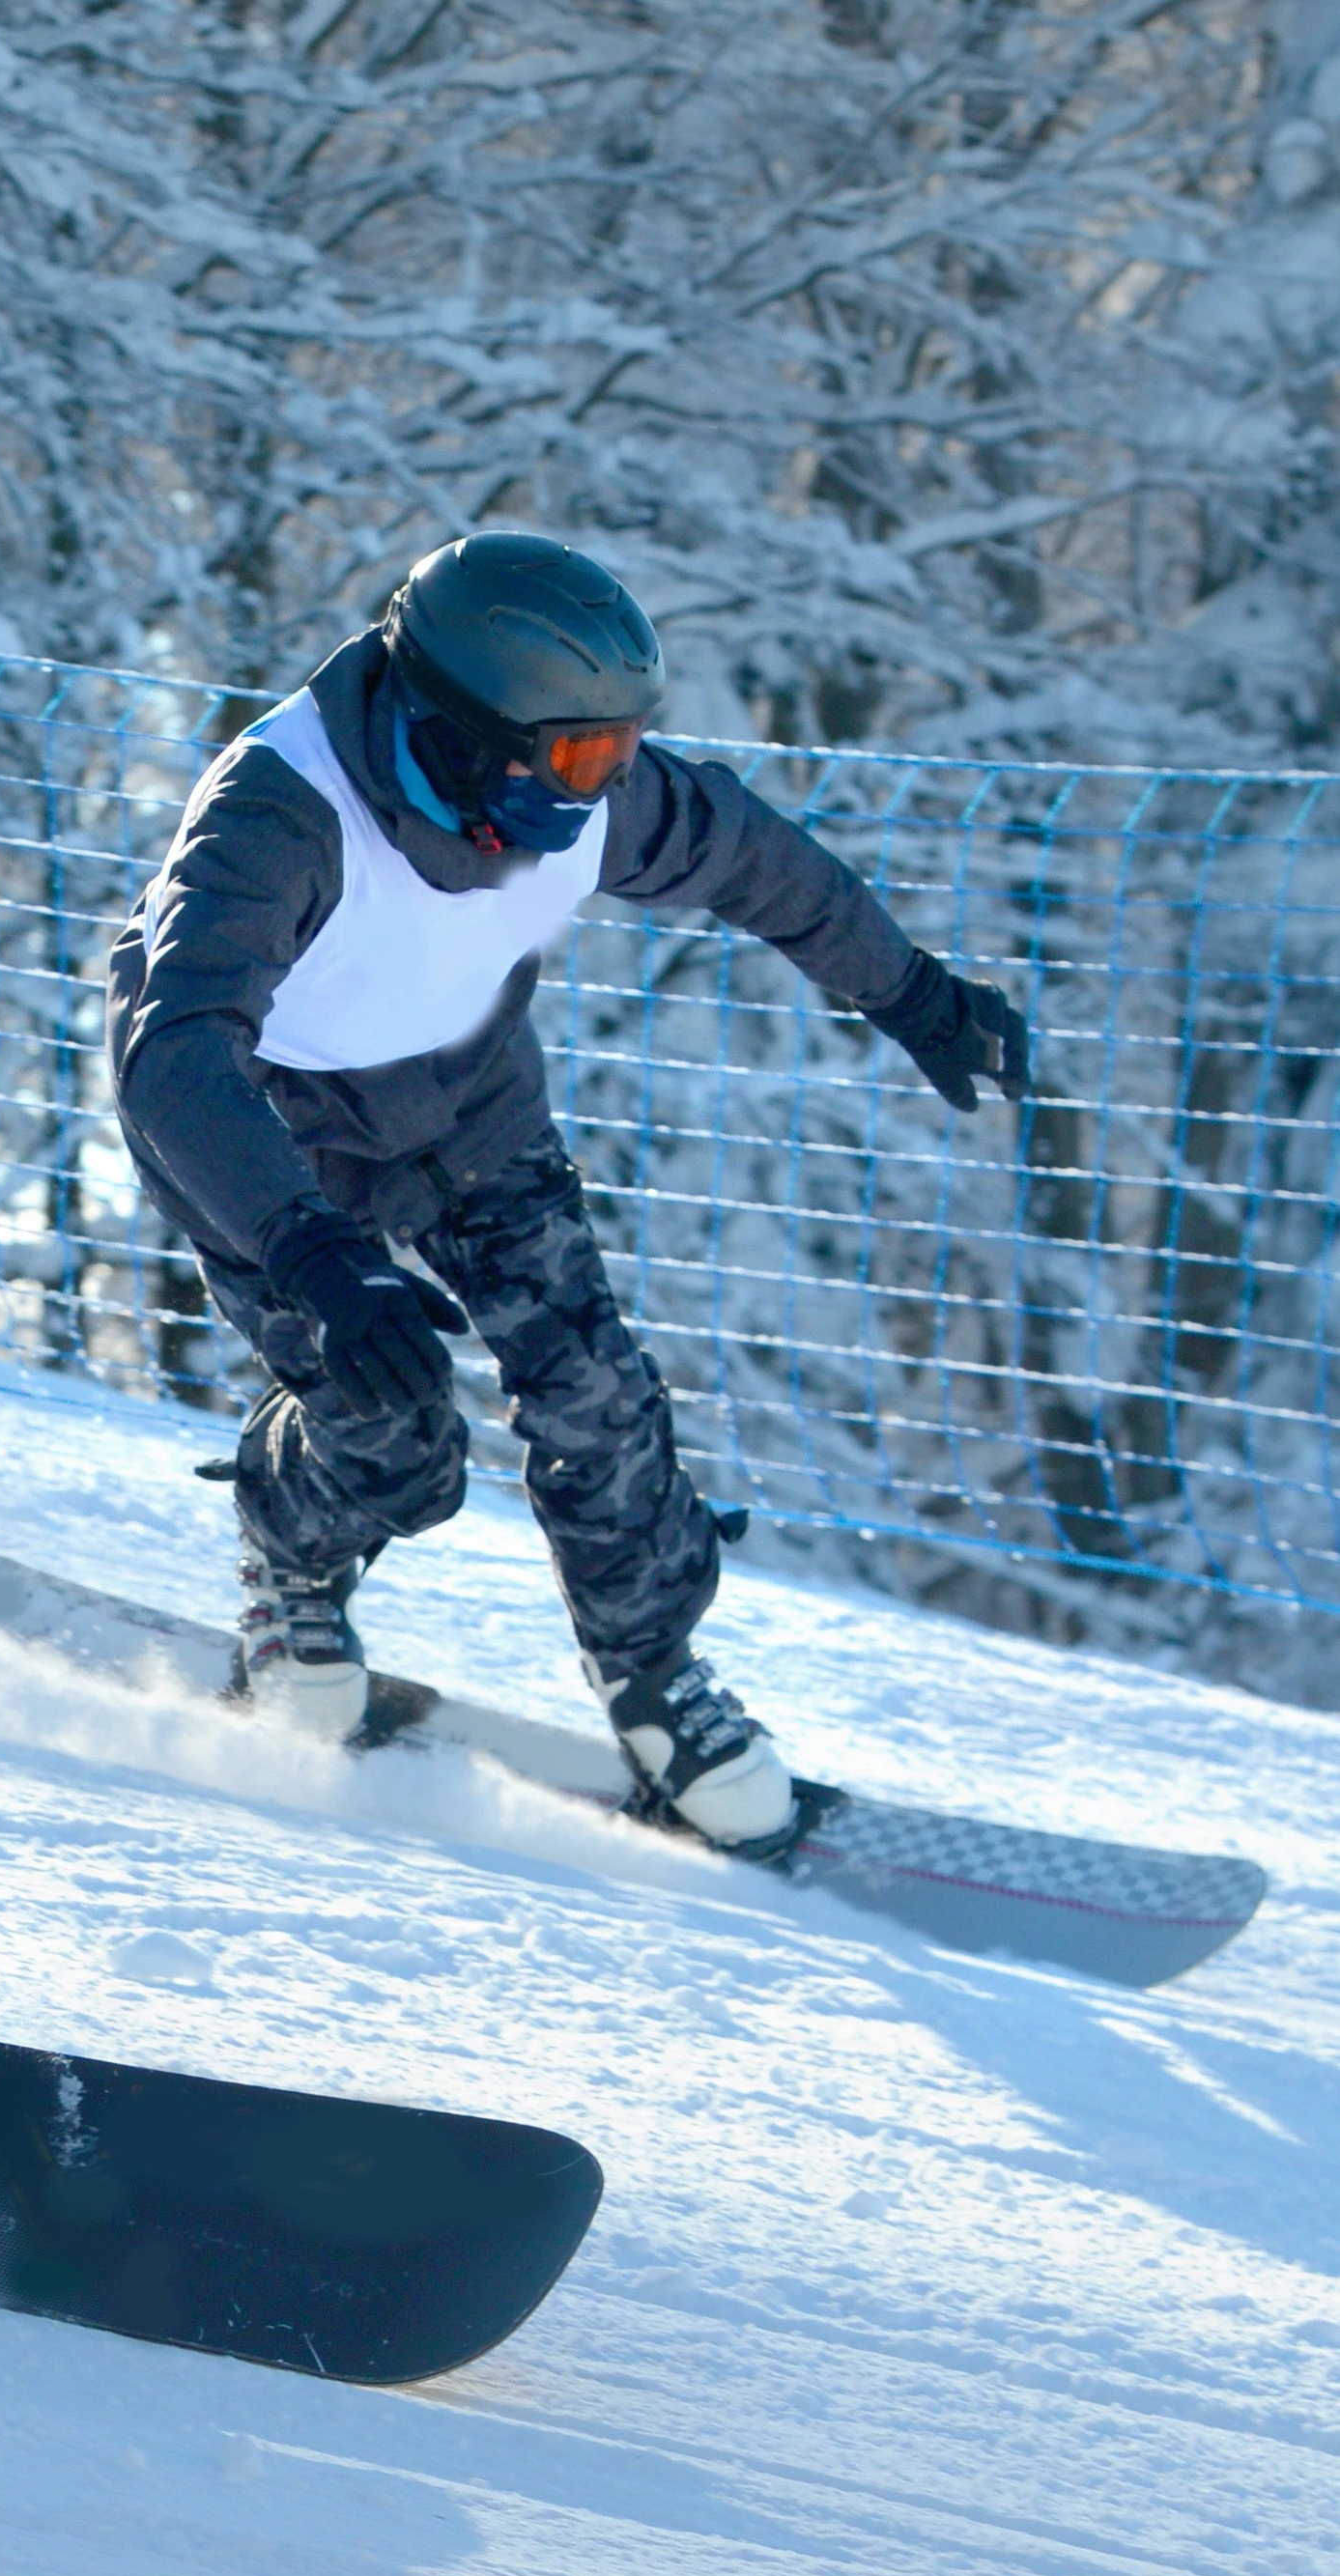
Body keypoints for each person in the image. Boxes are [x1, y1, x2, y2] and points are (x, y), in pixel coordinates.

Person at [107, 531, 1028, 1852]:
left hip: (470, 1107)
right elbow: (176, 1055)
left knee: (595, 1389)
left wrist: (917, 995)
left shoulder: (597, 800)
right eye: (580, 755)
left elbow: (769, 868)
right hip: (271, 1137)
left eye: (623, 748)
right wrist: (310, 1250)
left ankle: (655, 1678)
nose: (606, 786)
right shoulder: (280, 812)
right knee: (399, 1439)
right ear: (465, 731)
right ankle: (292, 1533)